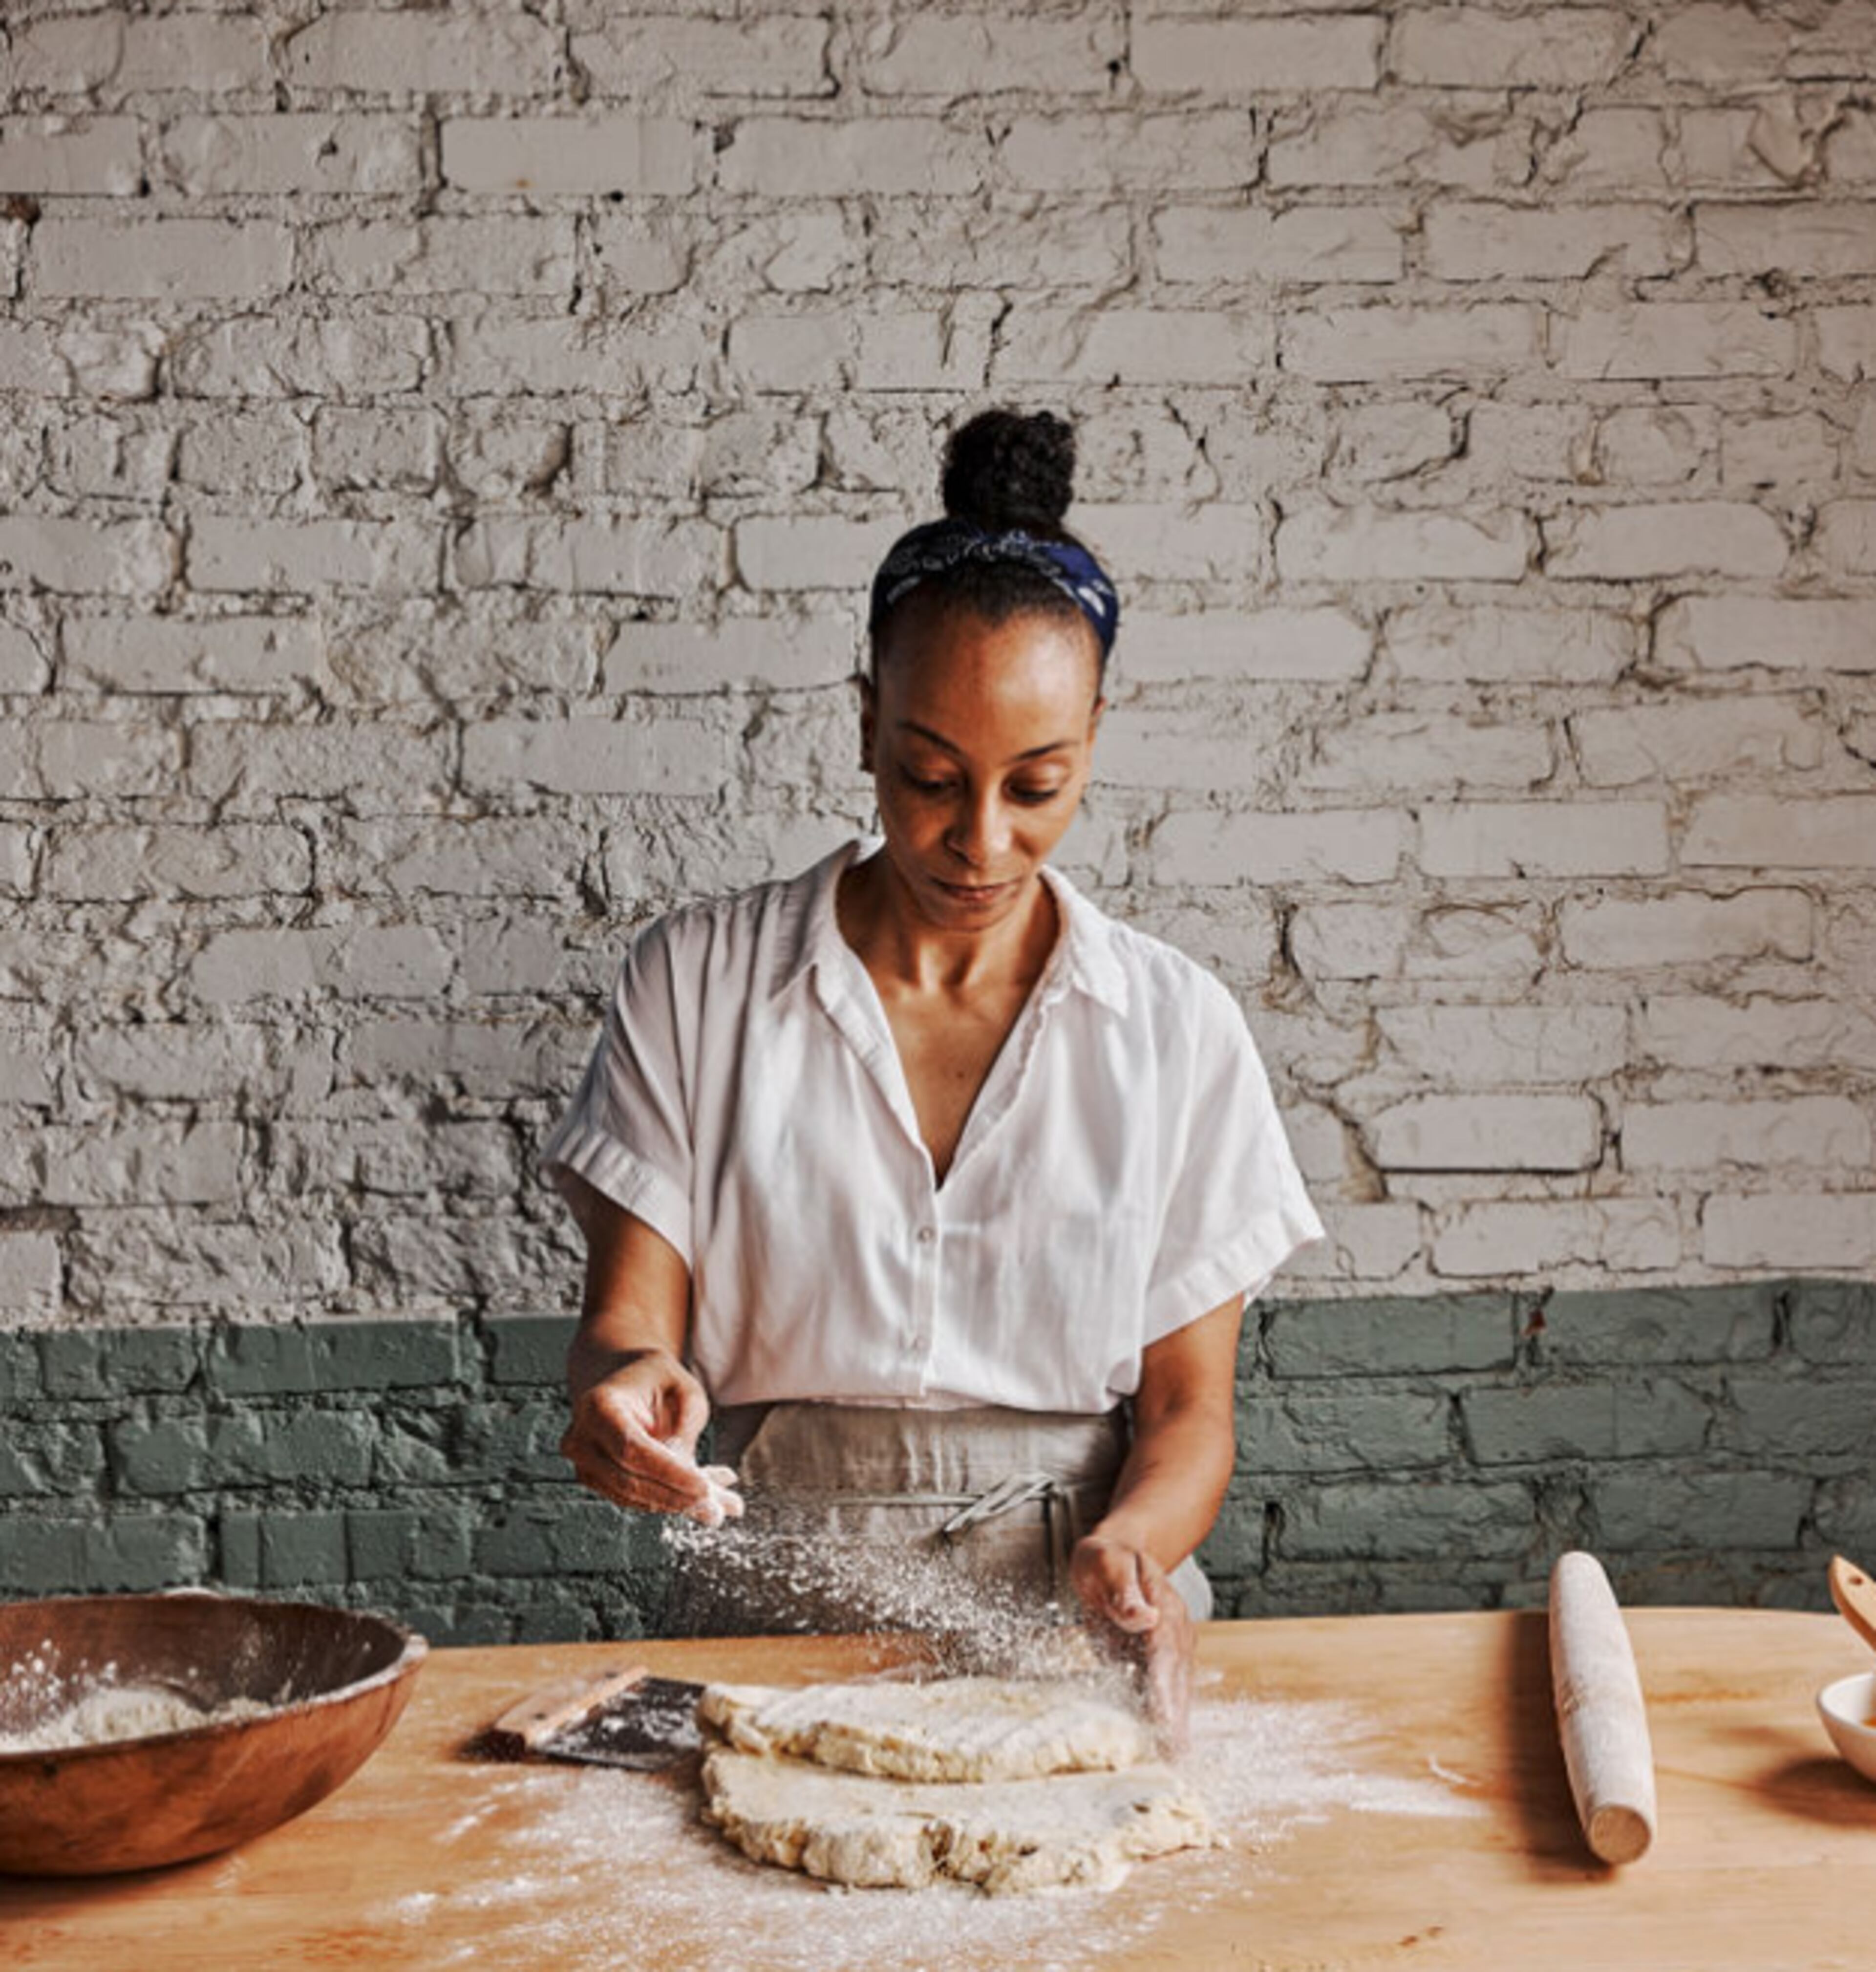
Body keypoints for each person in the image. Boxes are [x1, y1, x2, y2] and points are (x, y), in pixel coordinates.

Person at [542, 407, 1322, 1745]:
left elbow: (1191, 1410)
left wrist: (1136, 1542)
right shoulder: (699, 981)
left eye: (1037, 786)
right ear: (867, 726)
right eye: (930, 777)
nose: (980, 839)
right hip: (775, 1596)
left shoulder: (1176, 1027)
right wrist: (625, 1392)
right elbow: (628, 1323)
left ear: (1095, 741)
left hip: (1078, 1606)